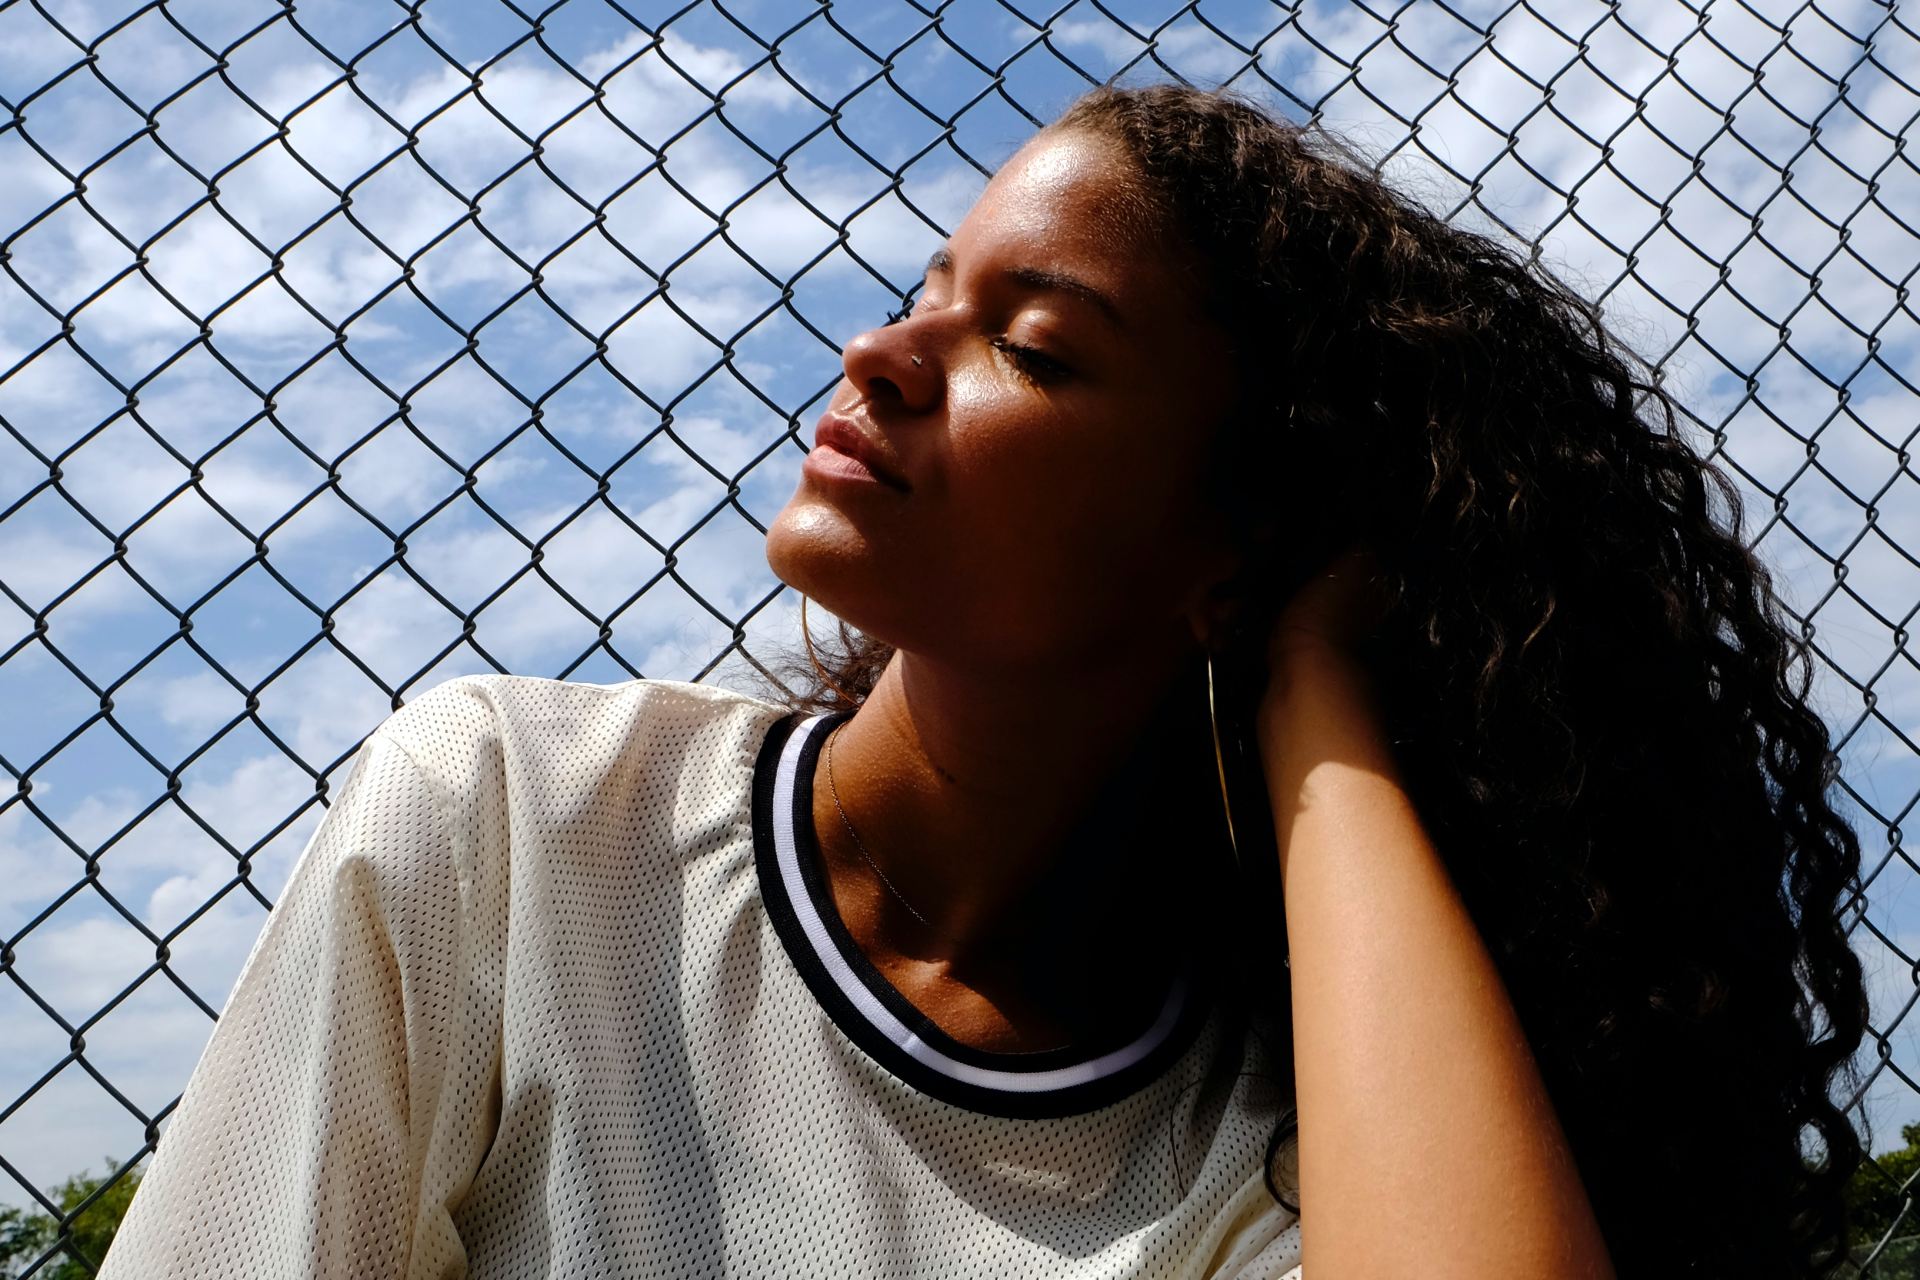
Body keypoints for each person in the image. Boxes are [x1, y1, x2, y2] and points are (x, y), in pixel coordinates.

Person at [95, 83, 1869, 1278]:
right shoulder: (514, 823)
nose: (880, 351)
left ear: (1229, 552)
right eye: (929, 287)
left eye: (1033, 345)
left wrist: (1318, 687)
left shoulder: (1260, 1140)